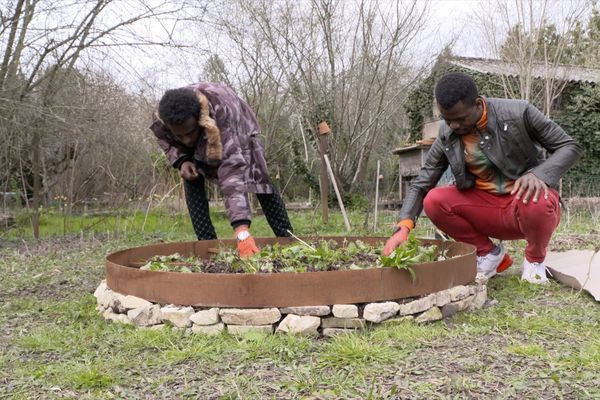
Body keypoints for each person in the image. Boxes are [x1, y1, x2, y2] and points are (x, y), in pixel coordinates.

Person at [383, 72, 582, 284]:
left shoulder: (518, 112)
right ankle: (489, 255)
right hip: (486, 208)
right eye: (448, 119)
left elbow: (569, 146)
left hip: (525, 205)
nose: (454, 126)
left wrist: (538, 174)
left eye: (460, 119)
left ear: (478, 104)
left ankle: (534, 261)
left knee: (536, 198)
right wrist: (403, 227)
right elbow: (423, 182)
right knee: (434, 200)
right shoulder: (447, 133)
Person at [150, 82, 293, 257]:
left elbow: (231, 175)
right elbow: (166, 140)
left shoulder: (222, 114)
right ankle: (207, 246)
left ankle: (288, 240)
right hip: (202, 130)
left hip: (238, 130)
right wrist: (182, 160)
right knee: (191, 175)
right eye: (180, 136)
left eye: (189, 133)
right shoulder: (161, 117)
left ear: (200, 120)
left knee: (259, 180)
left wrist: (241, 231)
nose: (186, 141)